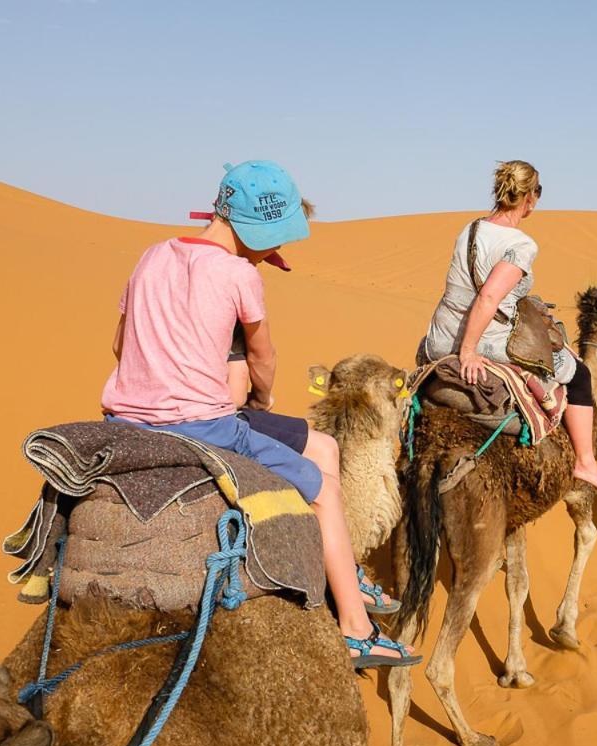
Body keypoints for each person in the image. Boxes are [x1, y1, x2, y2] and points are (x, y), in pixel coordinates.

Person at [101, 160, 418, 669]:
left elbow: (120, 343)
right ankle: (357, 631)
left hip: (125, 421)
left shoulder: (152, 256)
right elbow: (261, 358)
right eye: (274, 243)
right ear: (260, 231)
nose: (274, 253)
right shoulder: (237, 273)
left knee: (323, 443)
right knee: (321, 484)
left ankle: (346, 569)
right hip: (206, 424)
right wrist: (263, 401)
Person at [418, 160, 597, 492]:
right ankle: (585, 461)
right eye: (537, 192)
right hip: (485, 341)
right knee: (579, 374)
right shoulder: (520, 244)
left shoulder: (471, 229)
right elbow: (489, 296)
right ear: (530, 198)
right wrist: (468, 352)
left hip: (438, 337)